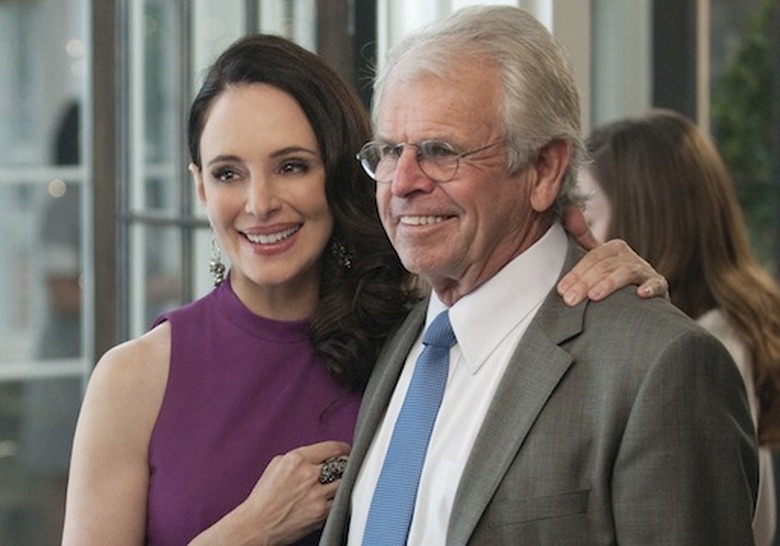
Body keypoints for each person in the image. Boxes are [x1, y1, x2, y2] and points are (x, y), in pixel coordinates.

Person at [62, 33, 667, 546]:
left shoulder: (423, 339)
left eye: (292, 166)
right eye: (228, 173)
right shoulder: (136, 380)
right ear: (199, 187)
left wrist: (608, 284)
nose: (260, 203)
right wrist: (247, 530)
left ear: (344, 173)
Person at [320, 6, 758, 545]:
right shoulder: (403, 340)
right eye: (390, 151)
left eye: (439, 152)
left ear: (545, 169)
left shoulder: (658, 367)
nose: (402, 181)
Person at [580, 108, 780, 546]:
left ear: (644, 223)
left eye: (590, 221)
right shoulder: (729, 330)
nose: (578, 239)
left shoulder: (701, 353)